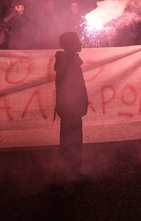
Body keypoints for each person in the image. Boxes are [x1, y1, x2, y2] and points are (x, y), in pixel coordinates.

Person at [54, 31, 89, 183]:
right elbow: (74, 87)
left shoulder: (66, 60)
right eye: (77, 41)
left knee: (67, 139)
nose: (80, 43)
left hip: (68, 108)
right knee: (74, 140)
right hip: (72, 109)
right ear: (70, 45)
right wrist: (80, 104)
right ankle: (72, 173)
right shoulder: (70, 62)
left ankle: (63, 171)